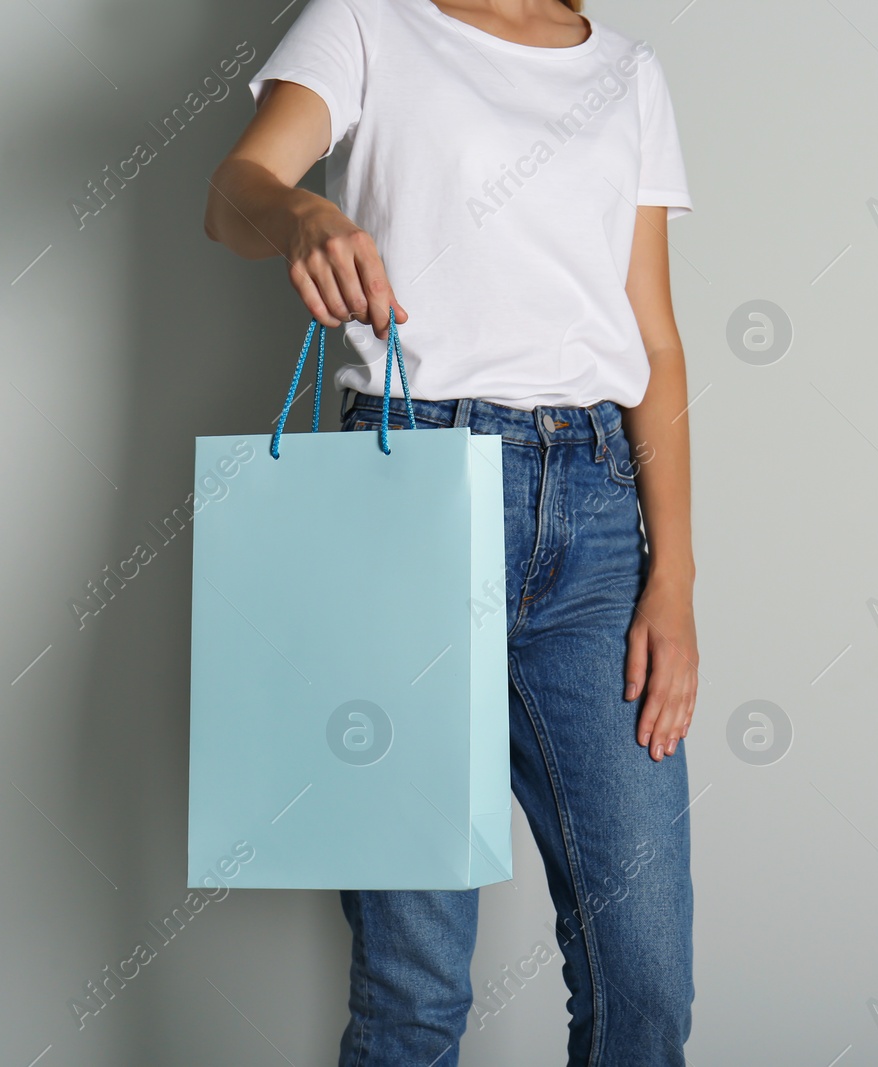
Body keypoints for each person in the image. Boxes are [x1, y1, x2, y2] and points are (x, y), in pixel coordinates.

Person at [204, 1, 697, 1062]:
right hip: (406, 496)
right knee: (414, 992)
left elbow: (652, 334)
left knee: (645, 983)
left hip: (600, 515)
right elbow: (234, 193)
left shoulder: (627, 71)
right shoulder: (366, 19)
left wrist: (676, 583)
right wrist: (301, 217)